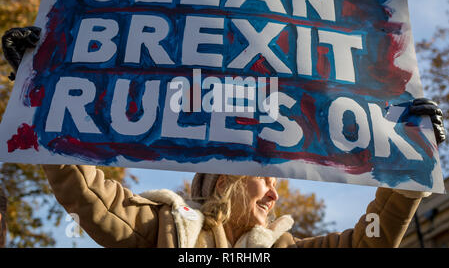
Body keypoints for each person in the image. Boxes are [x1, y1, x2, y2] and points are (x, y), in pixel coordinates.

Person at [1, 27, 447, 248]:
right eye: (268, 179)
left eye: (274, 184)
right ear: (224, 179)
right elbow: (86, 194)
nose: (275, 196)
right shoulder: (164, 230)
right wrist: (39, 90)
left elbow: (372, 240)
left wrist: (411, 156)